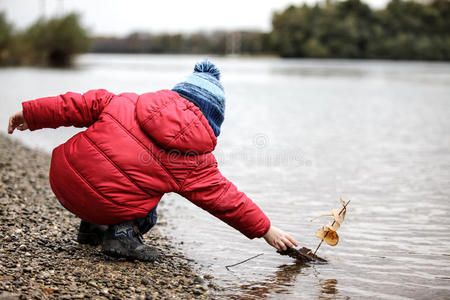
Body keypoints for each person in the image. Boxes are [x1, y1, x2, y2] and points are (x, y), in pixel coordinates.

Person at [7, 61, 298, 262]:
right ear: (213, 120)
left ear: (174, 94)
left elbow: (71, 105)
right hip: (104, 202)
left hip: (62, 180)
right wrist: (265, 229)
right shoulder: (194, 159)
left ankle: (91, 228)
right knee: (149, 187)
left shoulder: (125, 100)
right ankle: (121, 235)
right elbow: (224, 198)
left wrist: (30, 115)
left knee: (118, 166)